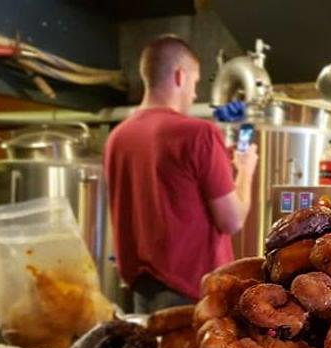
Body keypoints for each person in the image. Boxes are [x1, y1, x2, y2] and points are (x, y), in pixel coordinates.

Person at [104, 35, 258, 313]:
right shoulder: (199, 134)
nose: (195, 94)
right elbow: (232, 219)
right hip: (192, 294)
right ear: (179, 76)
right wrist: (245, 171)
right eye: (196, 83)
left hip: (142, 293)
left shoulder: (117, 137)